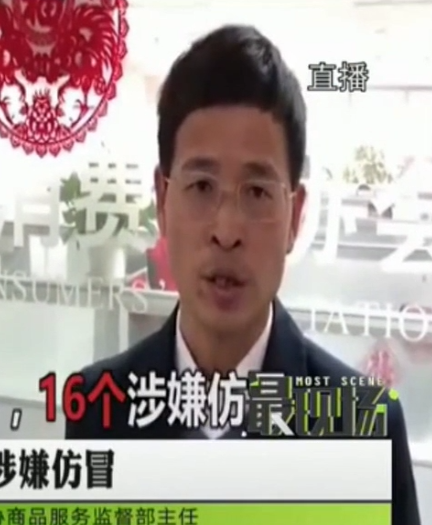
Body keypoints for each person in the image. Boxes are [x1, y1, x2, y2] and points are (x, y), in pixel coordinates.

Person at [65, 24, 420, 525]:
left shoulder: (364, 428)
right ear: (162, 201)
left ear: (295, 216)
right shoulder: (98, 408)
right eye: (202, 186)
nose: (227, 231)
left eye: (256, 192)